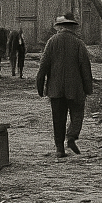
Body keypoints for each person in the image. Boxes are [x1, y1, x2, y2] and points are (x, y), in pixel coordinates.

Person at [35, 14, 93, 158]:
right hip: (75, 89)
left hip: (55, 90)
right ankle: (72, 136)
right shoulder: (79, 43)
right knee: (78, 113)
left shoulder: (51, 42)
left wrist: (40, 86)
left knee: (58, 119)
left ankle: (59, 149)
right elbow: (85, 68)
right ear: (73, 28)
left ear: (59, 28)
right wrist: (88, 88)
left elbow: (43, 66)